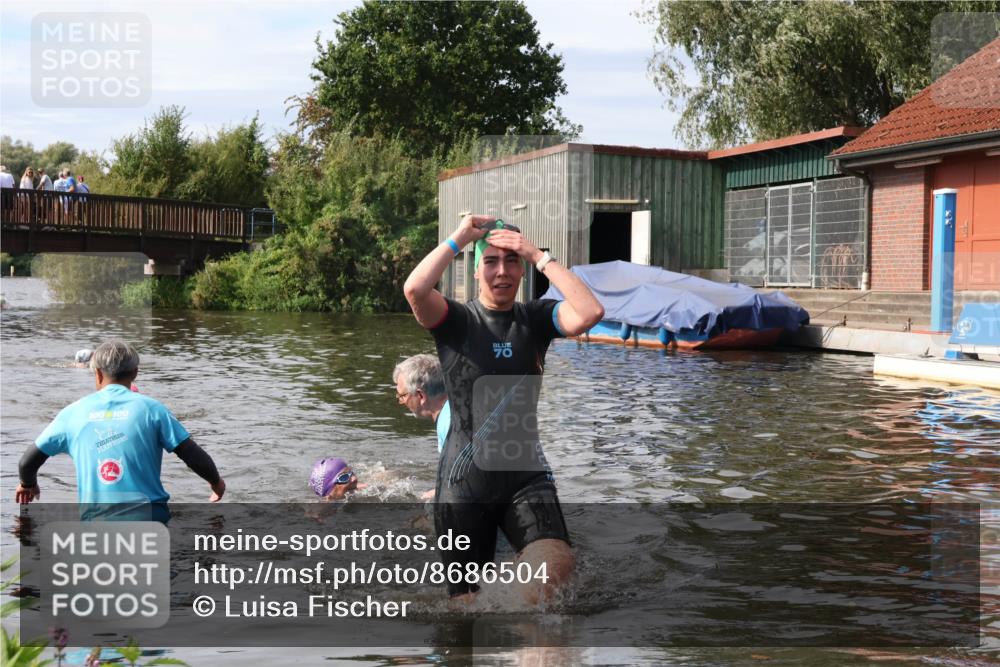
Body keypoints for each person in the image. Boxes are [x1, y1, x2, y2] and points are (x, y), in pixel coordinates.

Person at [403, 214, 604, 604]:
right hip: (464, 485)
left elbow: (591, 311)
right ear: (477, 271)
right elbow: (415, 289)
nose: (502, 271)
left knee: (555, 569)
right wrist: (459, 237)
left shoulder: (536, 320)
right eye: (491, 262)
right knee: (467, 610)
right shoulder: (456, 321)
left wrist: (536, 254)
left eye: (511, 261)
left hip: (525, 476)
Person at [16, 340, 225, 520]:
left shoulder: (72, 413)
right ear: (135, 373)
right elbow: (191, 454)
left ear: (97, 373)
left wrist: (28, 484)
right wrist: (216, 483)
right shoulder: (152, 409)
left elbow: (27, 462)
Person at [393, 353, 451, 499]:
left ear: (421, 396)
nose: (402, 402)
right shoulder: (460, 404)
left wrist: (437, 494)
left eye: (403, 396)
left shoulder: (449, 424)